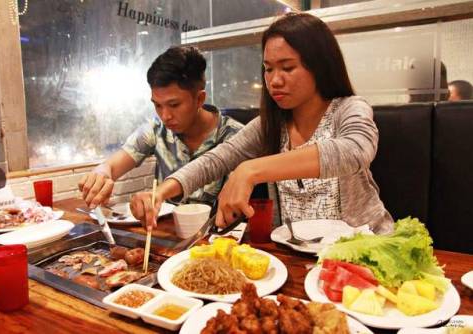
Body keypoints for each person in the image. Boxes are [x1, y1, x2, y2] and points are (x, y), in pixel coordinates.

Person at [129, 12, 393, 234]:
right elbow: (216, 160)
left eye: (287, 68)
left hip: (365, 251)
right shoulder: (271, 124)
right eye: (268, 69)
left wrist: (251, 170)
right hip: (298, 258)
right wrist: (161, 193)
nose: (274, 80)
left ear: (320, 66)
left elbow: (354, 150)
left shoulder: (348, 109)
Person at [79, 46, 243, 208]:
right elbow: (111, 166)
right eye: (157, 105)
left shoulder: (235, 136)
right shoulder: (156, 130)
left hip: (218, 233)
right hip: (165, 232)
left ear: (199, 99)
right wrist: (102, 174)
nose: (165, 116)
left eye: (174, 104)